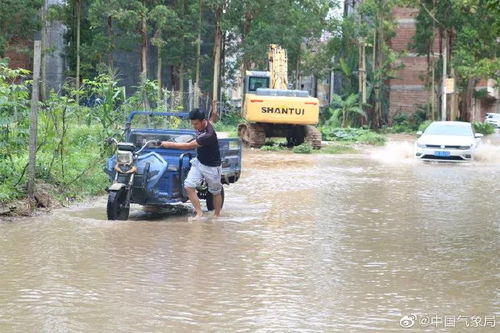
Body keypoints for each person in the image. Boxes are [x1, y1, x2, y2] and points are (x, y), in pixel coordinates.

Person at [158, 109, 222, 220]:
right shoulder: (200, 126)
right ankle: (199, 213)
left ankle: (217, 215)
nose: (194, 126)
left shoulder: (208, 134)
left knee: (215, 192)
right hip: (199, 162)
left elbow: (188, 146)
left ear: (203, 121)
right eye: (192, 123)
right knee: (188, 186)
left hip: (212, 166)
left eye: (196, 124)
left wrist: (168, 144)